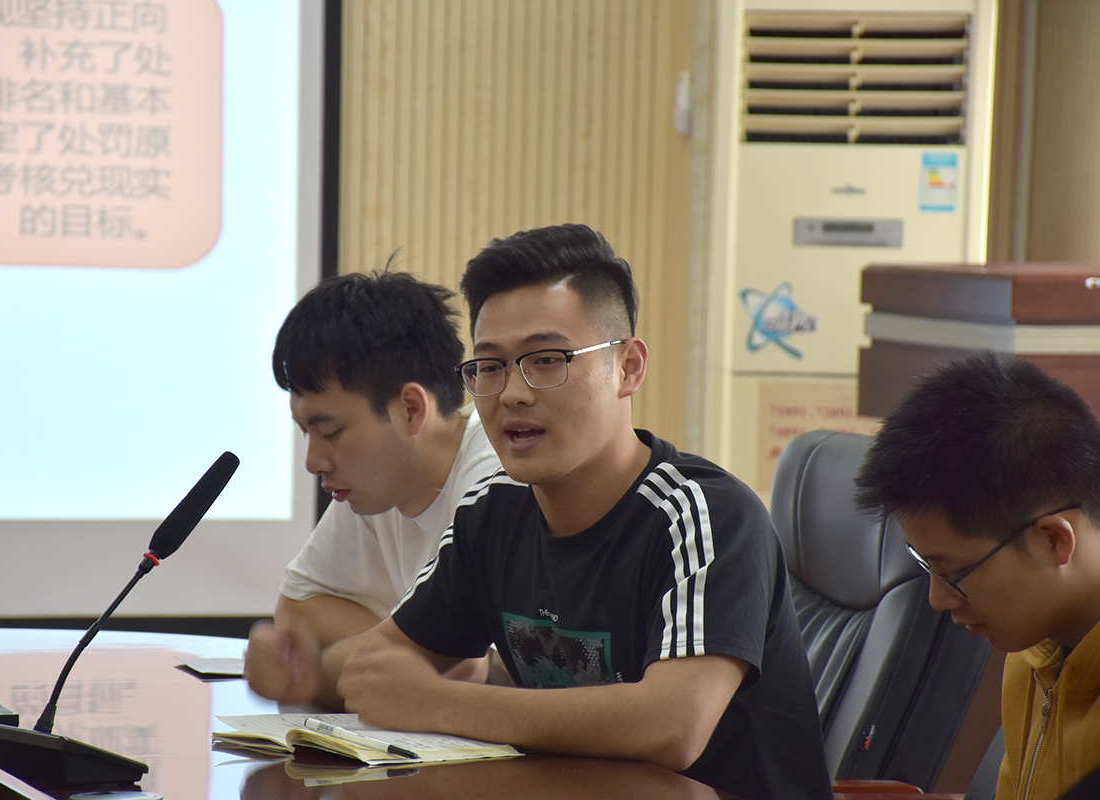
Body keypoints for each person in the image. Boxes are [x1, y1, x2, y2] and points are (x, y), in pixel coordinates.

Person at [246, 224, 831, 800]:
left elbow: (673, 724)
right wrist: (313, 675)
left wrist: (439, 702)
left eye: (546, 360)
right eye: (490, 366)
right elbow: (385, 661)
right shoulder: (492, 514)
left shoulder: (703, 515)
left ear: (628, 368)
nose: (512, 393)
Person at [855, 352, 1100, 800]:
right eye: (927, 566)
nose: (939, 599)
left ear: (1053, 540)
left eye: (955, 571)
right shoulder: (1033, 657)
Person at [245, 269, 501, 682]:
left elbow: (473, 669)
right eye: (306, 432)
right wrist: (413, 645)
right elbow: (296, 611)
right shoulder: (379, 484)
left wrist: (414, 652)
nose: (313, 462)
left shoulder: (497, 482)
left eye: (330, 432)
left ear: (411, 409)